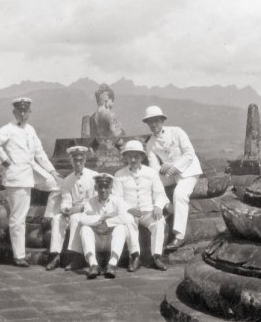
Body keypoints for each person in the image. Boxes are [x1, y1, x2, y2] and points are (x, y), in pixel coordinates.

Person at [0, 97, 62, 267]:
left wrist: (52, 171)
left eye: (25, 110)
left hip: (33, 172)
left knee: (57, 185)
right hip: (17, 177)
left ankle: (48, 216)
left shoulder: (30, 129)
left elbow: (40, 153)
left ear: (29, 112)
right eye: (19, 110)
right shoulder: (8, 129)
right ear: (14, 112)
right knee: (18, 217)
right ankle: (19, 256)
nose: (22, 113)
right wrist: (5, 160)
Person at [143, 106, 203, 252]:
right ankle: (168, 207)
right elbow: (153, 167)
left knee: (179, 193)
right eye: (150, 122)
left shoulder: (177, 131)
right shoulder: (150, 144)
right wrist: (161, 169)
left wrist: (172, 167)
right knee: (150, 183)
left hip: (189, 170)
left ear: (162, 120)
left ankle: (179, 235)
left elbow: (189, 153)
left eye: (156, 120)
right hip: (169, 174)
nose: (153, 124)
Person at [113, 140, 170, 272]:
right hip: (130, 212)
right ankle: (135, 257)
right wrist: (128, 209)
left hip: (148, 211)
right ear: (126, 157)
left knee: (159, 222)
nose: (133, 160)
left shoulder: (151, 173)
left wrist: (158, 206)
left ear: (142, 157)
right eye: (130, 156)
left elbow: (159, 193)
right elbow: (117, 198)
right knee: (128, 221)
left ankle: (157, 256)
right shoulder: (119, 175)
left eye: (136, 156)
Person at [45, 145, 98, 271]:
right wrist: (65, 209)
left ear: (85, 160)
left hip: (90, 212)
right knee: (57, 219)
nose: (78, 163)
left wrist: (80, 209)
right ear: (71, 161)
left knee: (75, 218)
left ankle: (77, 257)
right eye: (75, 160)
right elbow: (66, 199)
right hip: (73, 211)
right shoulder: (68, 180)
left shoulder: (94, 176)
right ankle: (55, 255)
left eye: (80, 160)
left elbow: (96, 200)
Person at [79, 173, 130, 279]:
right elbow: (83, 219)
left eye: (106, 187)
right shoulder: (89, 202)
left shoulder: (118, 201)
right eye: (100, 187)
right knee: (84, 229)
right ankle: (93, 265)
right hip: (97, 239)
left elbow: (124, 217)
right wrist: (102, 218)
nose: (103, 190)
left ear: (111, 188)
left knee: (121, 228)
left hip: (110, 240)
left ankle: (112, 264)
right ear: (95, 188)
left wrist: (107, 222)